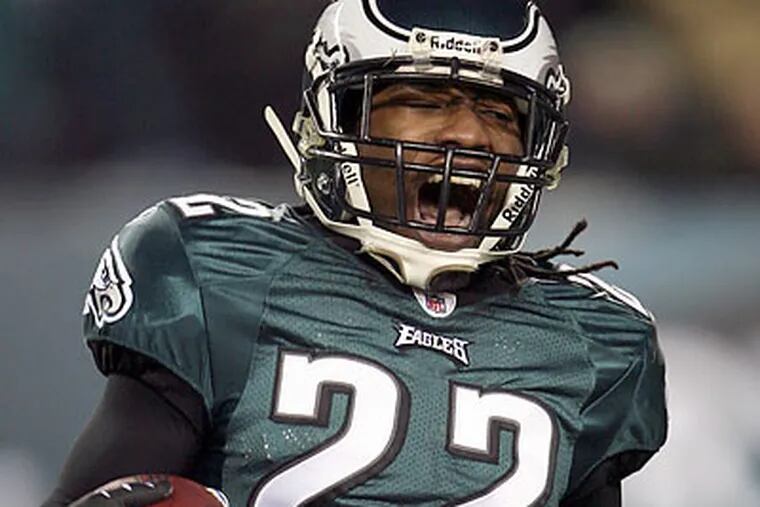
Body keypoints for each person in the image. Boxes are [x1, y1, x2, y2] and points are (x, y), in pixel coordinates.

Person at [44, 1, 667, 506]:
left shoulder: (595, 342)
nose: (467, 134)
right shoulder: (221, 272)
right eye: (424, 100)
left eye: (499, 112)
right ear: (337, 117)